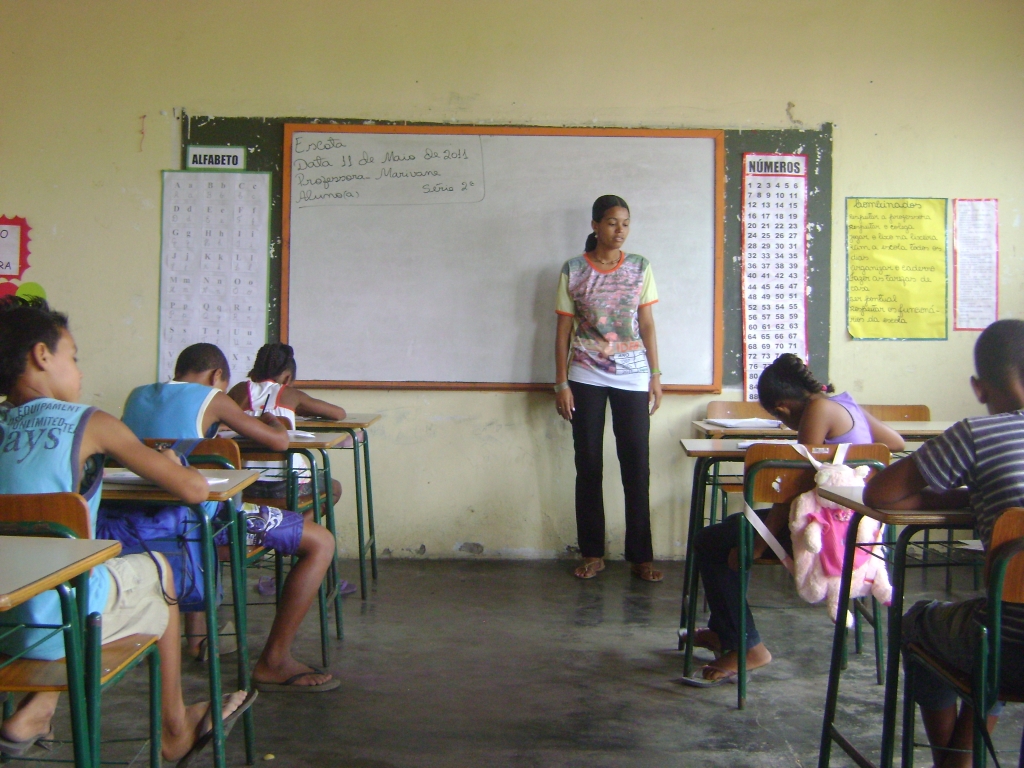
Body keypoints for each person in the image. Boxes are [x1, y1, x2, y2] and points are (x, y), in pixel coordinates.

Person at [0, 297, 254, 764]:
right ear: (42, 356)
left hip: (5, 627)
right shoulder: (89, 423)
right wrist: (170, 462)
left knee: (61, 576)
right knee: (159, 570)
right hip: (63, 624)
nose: (78, 371)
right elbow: (194, 489)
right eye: (73, 357)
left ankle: (38, 707)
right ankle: (175, 728)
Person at [100, 343, 338, 692]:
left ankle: (198, 640)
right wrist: (272, 420)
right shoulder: (213, 398)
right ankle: (274, 661)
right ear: (217, 376)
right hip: (198, 525)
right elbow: (277, 442)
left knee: (194, 519)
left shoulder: (138, 395)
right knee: (321, 542)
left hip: (138, 525)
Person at [683, 353, 904, 685]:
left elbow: (792, 489)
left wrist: (759, 545)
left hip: (823, 532)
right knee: (730, 528)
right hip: (856, 526)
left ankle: (748, 647)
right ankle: (723, 632)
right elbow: (895, 443)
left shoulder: (817, 411)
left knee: (710, 540)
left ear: (782, 408)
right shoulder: (845, 404)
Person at [864, 319, 1024, 768]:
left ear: (979, 387)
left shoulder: (979, 435)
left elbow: (880, 494)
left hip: (1012, 650)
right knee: (991, 617)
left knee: (919, 623)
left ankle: (953, 761)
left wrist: (963, 494)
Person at [554, 194, 663, 582]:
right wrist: (561, 382)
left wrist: (655, 375)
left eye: (626, 223)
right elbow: (562, 331)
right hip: (585, 374)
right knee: (588, 464)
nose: (620, 230)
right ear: (596, 226)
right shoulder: (573, 269)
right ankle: (592, 553)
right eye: (613, 222)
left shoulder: (640, 267)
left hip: (633, 375)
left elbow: (646, 324)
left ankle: (641, 557)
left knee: (636, 465)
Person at [227, 342, 344, 503]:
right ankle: (298, 519)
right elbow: (339, 413)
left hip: (244, 485)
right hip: (288, 485)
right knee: (334, 488)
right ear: (288, 377)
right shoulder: (291, 395)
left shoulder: (239, 391)